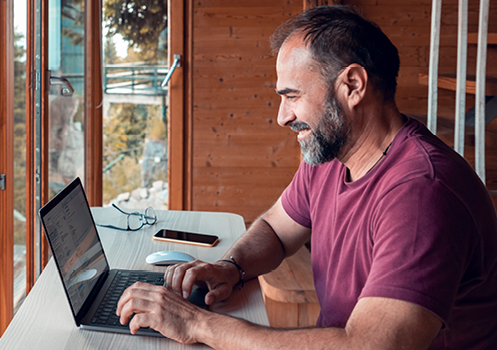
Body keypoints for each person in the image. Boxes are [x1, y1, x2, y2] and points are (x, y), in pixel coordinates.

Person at [115, 5, 497, 349]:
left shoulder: (422, 193)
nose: (282, 116)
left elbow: (370, 346)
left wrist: (198, 323)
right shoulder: (332, 157)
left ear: (352, 86)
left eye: (292, 96)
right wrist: (231, 268)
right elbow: (277, 230)